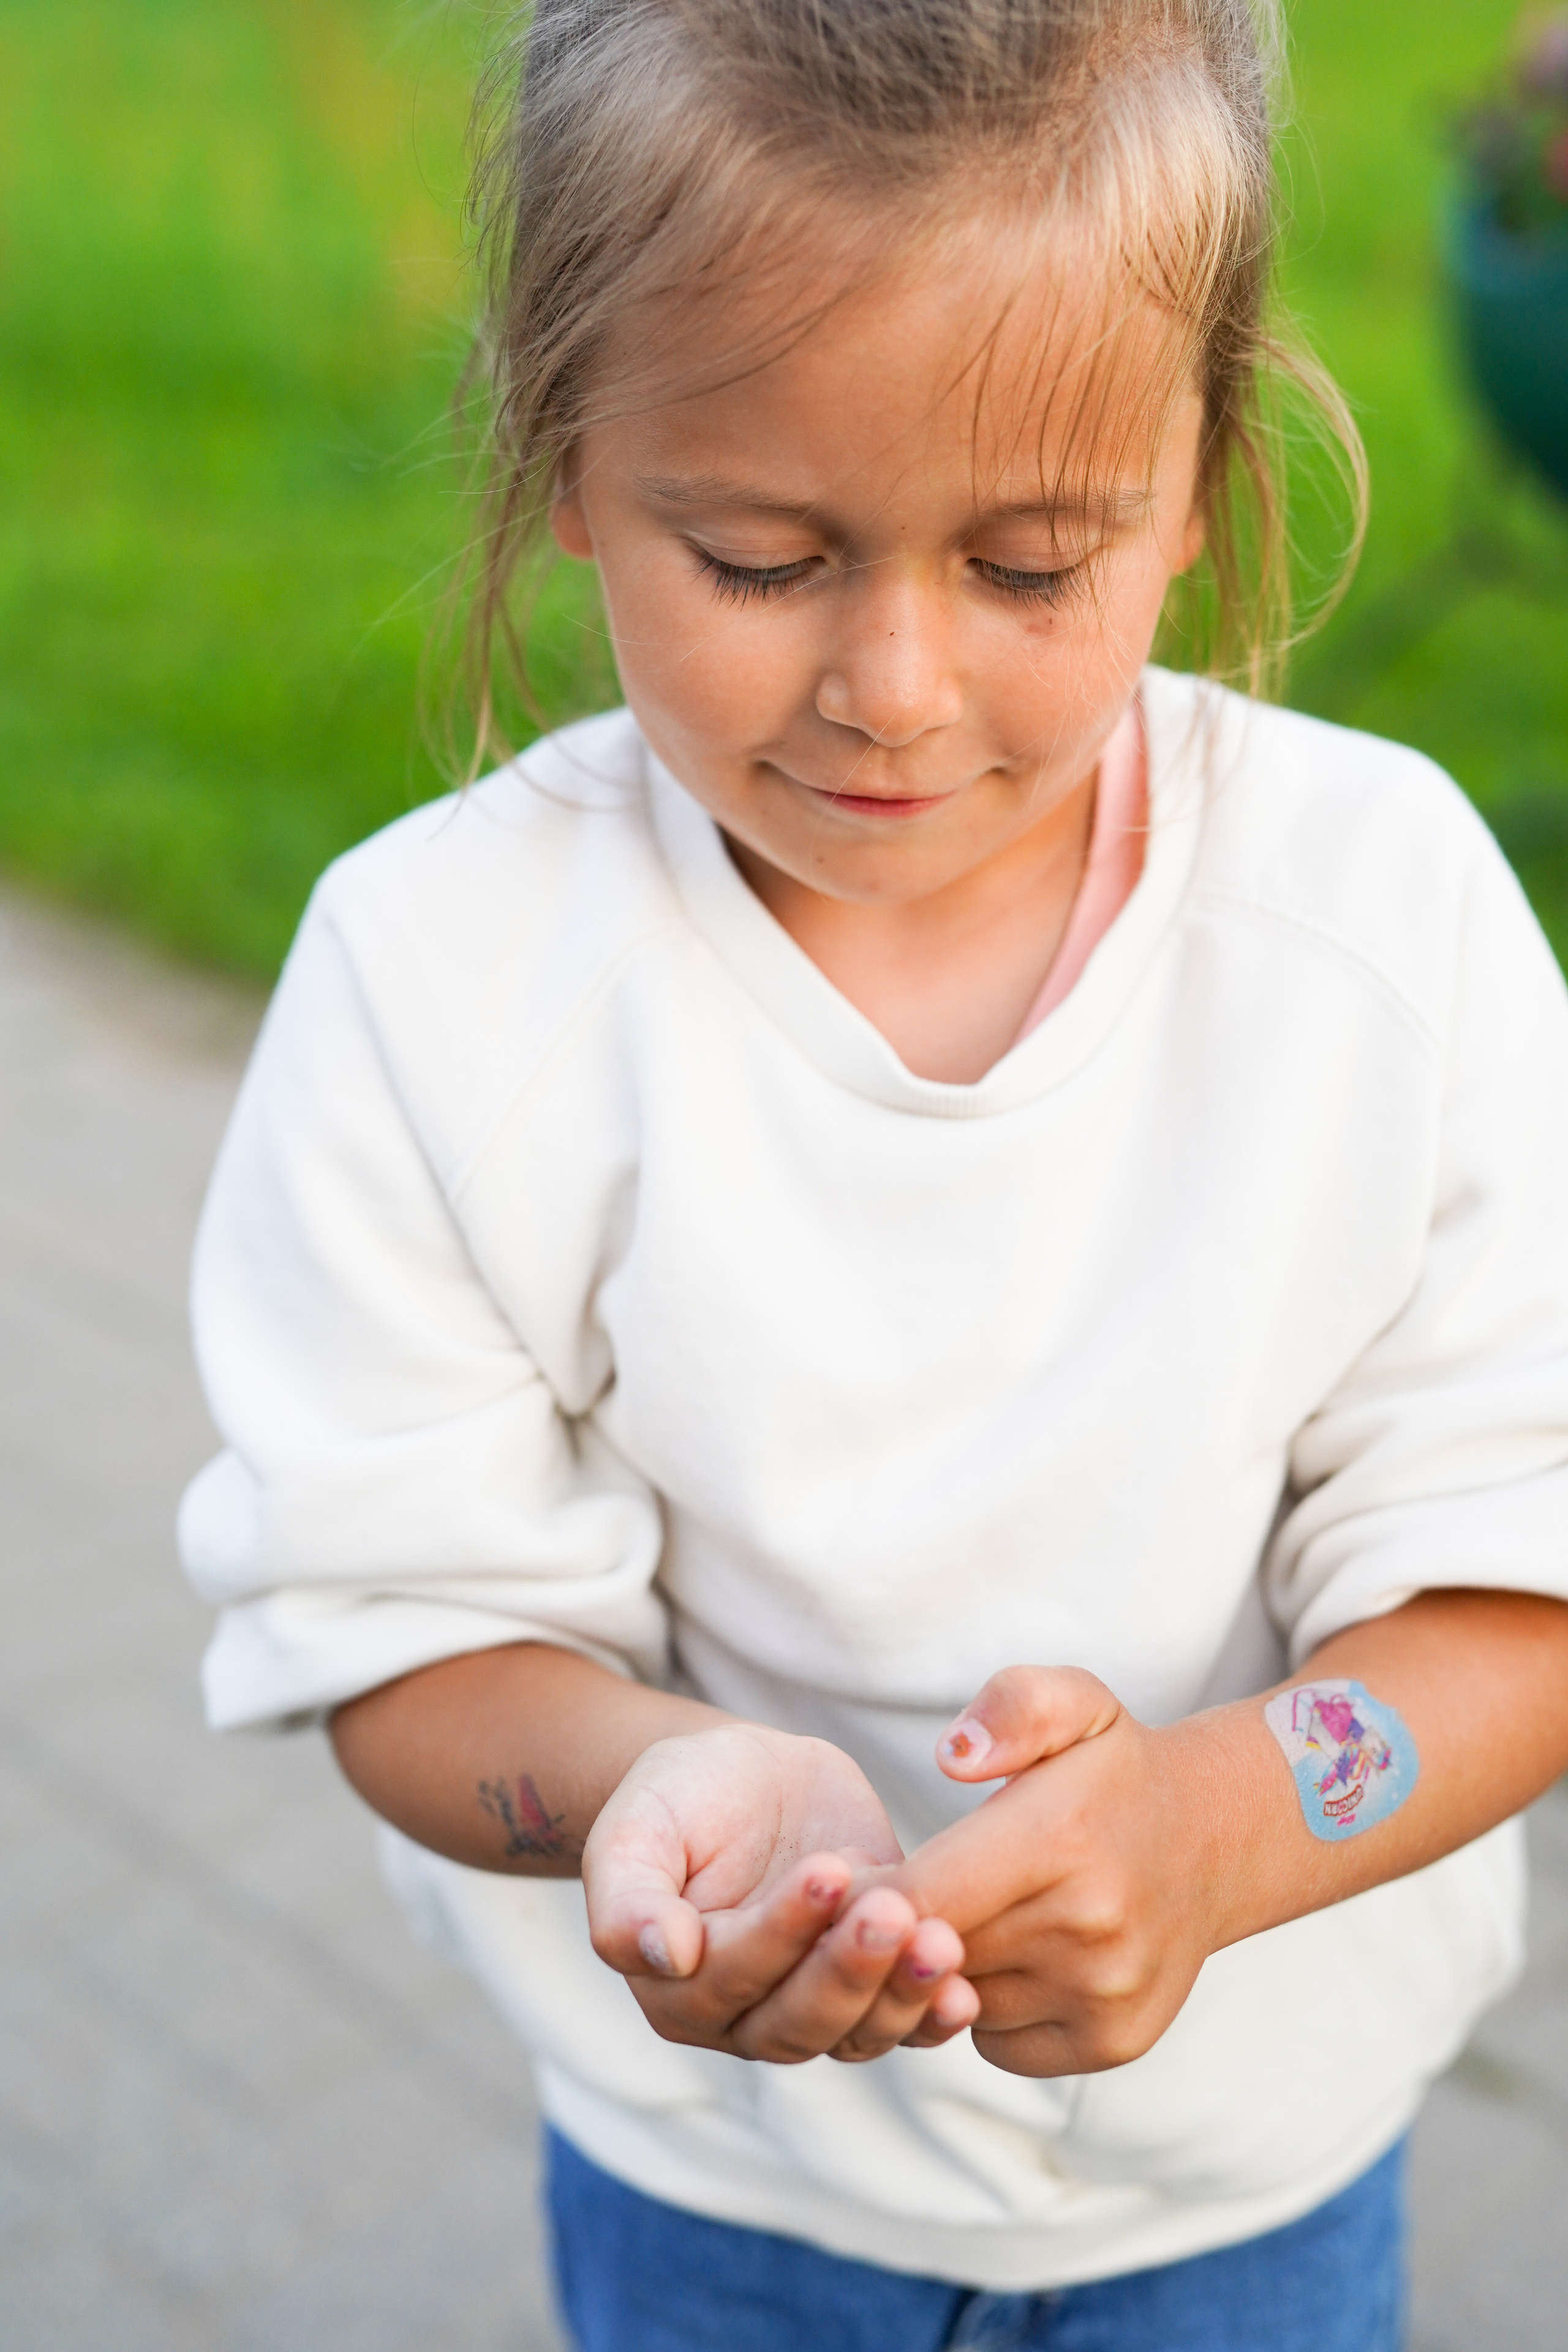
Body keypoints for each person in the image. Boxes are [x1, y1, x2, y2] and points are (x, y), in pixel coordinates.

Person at [178, 2, 1568, 2345]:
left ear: (1205, 477)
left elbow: (1518, 1584)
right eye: (758, 554)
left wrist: (1223, 1827)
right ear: (567, 463)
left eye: (1032, 566)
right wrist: (655, 1789)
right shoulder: (441, 983)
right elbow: (396, 1633)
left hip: (1247, 2212)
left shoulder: (1381, 932)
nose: (898, 687)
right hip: (720, 2208)